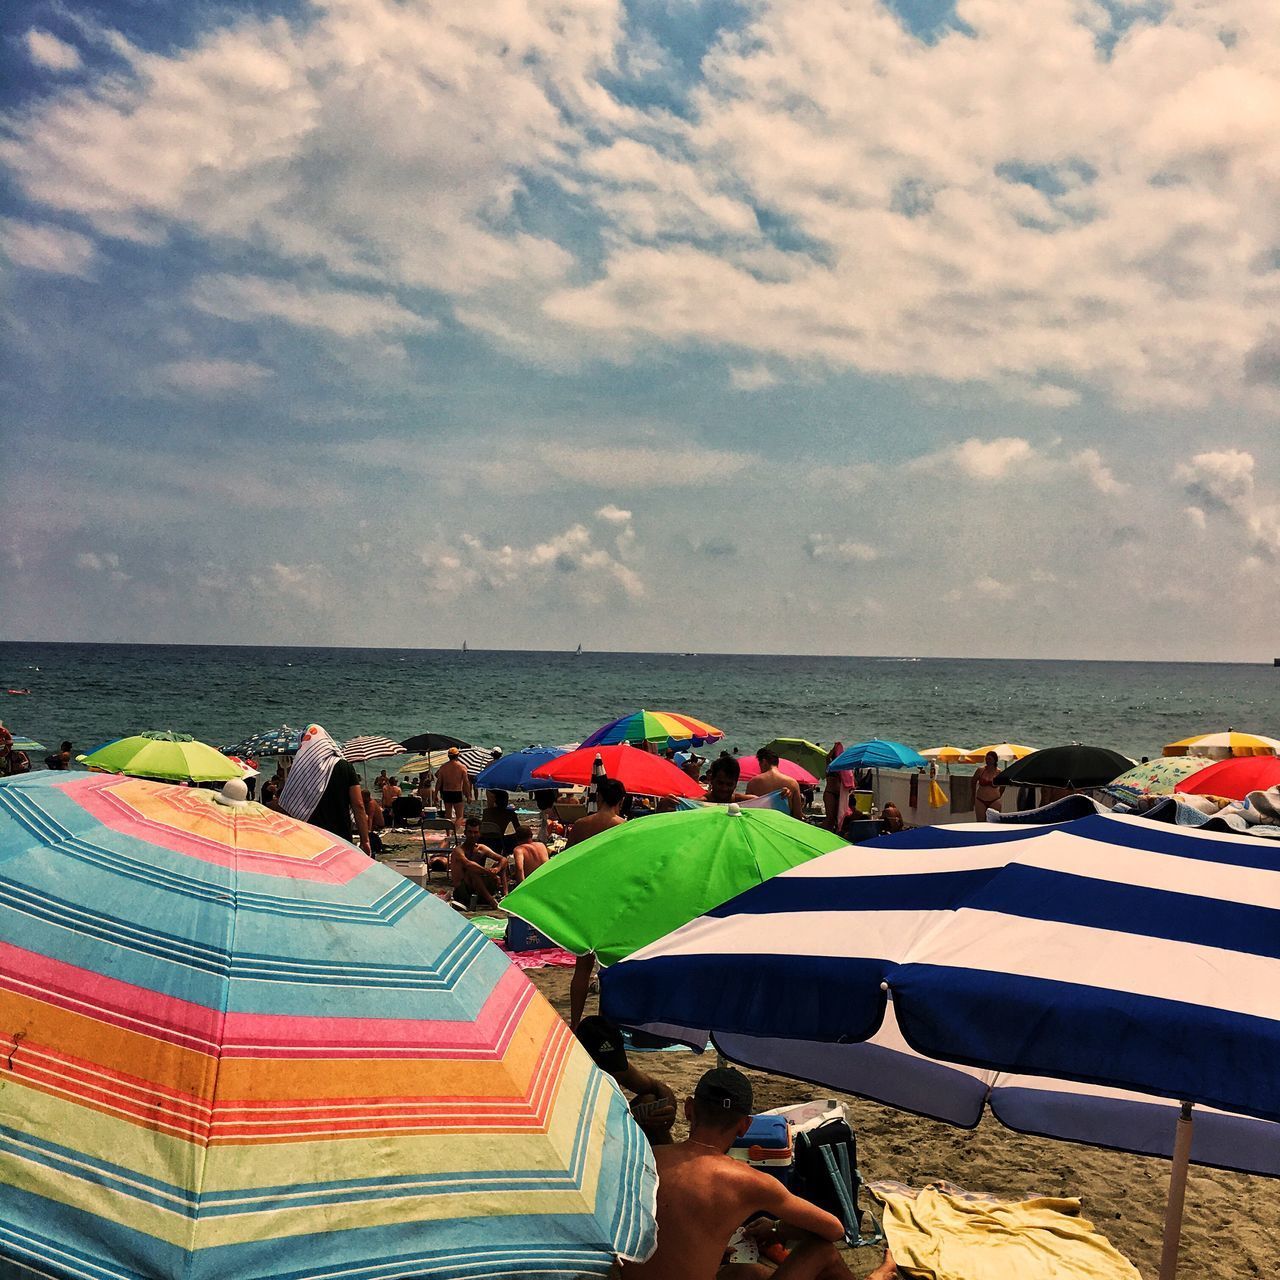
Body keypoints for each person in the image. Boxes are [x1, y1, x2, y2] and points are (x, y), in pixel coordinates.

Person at [622, 1067, 895, 1280]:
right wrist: (776, 1228)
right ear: (745, 1127)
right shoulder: (748, 1181)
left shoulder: (644, 1159)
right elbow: (834, 1229)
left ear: (689, 1109)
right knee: (820, 1250)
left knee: (746, 1273)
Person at [567, 777, 628, 1028]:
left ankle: (574, 1022)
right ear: (621, 801)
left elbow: (566, 863)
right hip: (613, 899)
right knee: (608, 968)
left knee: (582, 967)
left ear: (599, 798)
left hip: (586, 898)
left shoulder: (581, 825)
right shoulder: (623, 827)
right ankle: (605, 1024)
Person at [575, 1015, 677, 1146]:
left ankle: (667, 1160)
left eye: (612, 1066)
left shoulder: (617, 1070)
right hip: (583, 1134)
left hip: (611, 1127)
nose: (610, 1073)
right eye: (604, 1068)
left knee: (650, 1103)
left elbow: (656, 1087)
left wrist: (668, 1110)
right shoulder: (569, 1075)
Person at [278, 724, 371, 855]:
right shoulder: (345, 766)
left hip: (310, 838)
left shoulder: (299, 770)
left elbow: (290, 805)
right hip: (341, 836)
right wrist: (365, 840)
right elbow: (358, 805)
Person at [449, 817, 506, 907]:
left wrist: (496, 869)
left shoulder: (481, 848)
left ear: (479, 834)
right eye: (470, 832)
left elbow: (503, 859)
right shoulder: (458, 851)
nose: (472, 835)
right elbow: (468, 864)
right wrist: (489, 872)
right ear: (465, 833)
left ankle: (505, 895)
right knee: (472, 871)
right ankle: (491, 901)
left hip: (478, 887)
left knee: (500, 865)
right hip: (463, 891)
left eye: (475, 832)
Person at [745, 747, 804, 819]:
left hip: (761, 825)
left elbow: (747, 810)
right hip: (783, 826)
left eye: (759, 764)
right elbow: (797, 816)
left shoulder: (753, 782)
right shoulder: (792, 783)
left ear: (764, 762)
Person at [436, 746, 472, 834]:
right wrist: (468, 795)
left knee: (448, 816)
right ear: (458, 755)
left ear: (448, 756)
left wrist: (435, 795)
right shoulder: (462, 767)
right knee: (459, 816)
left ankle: (448, 834)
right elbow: (466, 783)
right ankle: (454, 833)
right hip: (457, 792)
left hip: (446, 792)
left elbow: (439, 782)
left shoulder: (443, 767)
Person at [974, 751, 1004, 822]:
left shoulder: (999, 772)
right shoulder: (980, 770)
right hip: (980, 800)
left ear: (994, 760)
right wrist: (973, 794)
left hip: (994, 800)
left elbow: (1003, 785)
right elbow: (973, 782)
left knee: (995, 822)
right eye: (986, 759)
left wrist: (999, 795)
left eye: (989, 759)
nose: (987, 761)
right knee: (980, 822)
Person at [362, 788, 385, 854]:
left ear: (366, 797)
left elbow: (370, 817)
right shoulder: (366, 803)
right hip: (374, 824)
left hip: (378, 825)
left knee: (366, 817)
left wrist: (369, 830)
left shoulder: (371, 803)